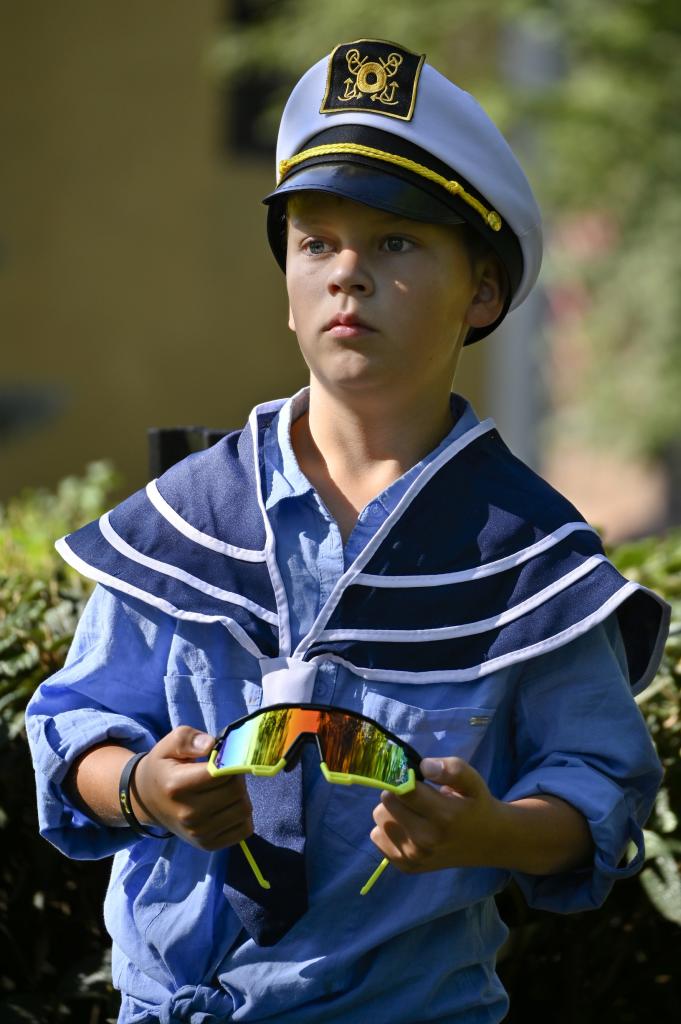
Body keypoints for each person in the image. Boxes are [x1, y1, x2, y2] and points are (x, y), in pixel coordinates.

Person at [26, 38, 669, 1024]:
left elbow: (598, 789)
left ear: (483, 290)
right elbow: (72, 730)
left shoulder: (529, 556)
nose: (347, 275)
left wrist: (490, 832)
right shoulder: (185, 519)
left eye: (396, 243)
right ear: (287, 283)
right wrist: (144, 789)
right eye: (316, 242)